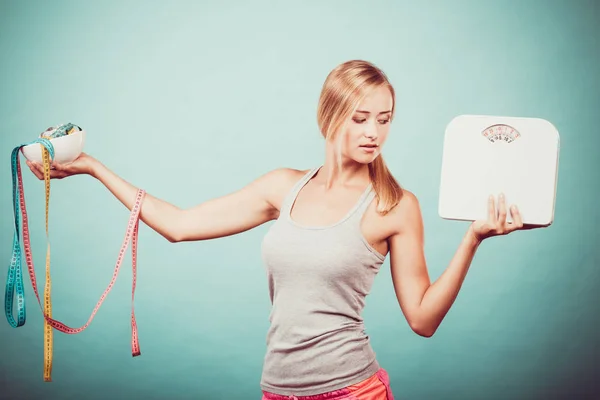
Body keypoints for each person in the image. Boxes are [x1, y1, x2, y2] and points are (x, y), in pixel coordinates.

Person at [25, 60, 538, 400]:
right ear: (329, 116)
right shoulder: (281, 187)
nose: (373, 132)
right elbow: (178, 226)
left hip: (352, 391)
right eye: (360, 118)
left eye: (384, 119)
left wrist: (472, 239)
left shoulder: (395, 205)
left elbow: (423, 320)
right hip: (277, 391)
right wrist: (94, 167)